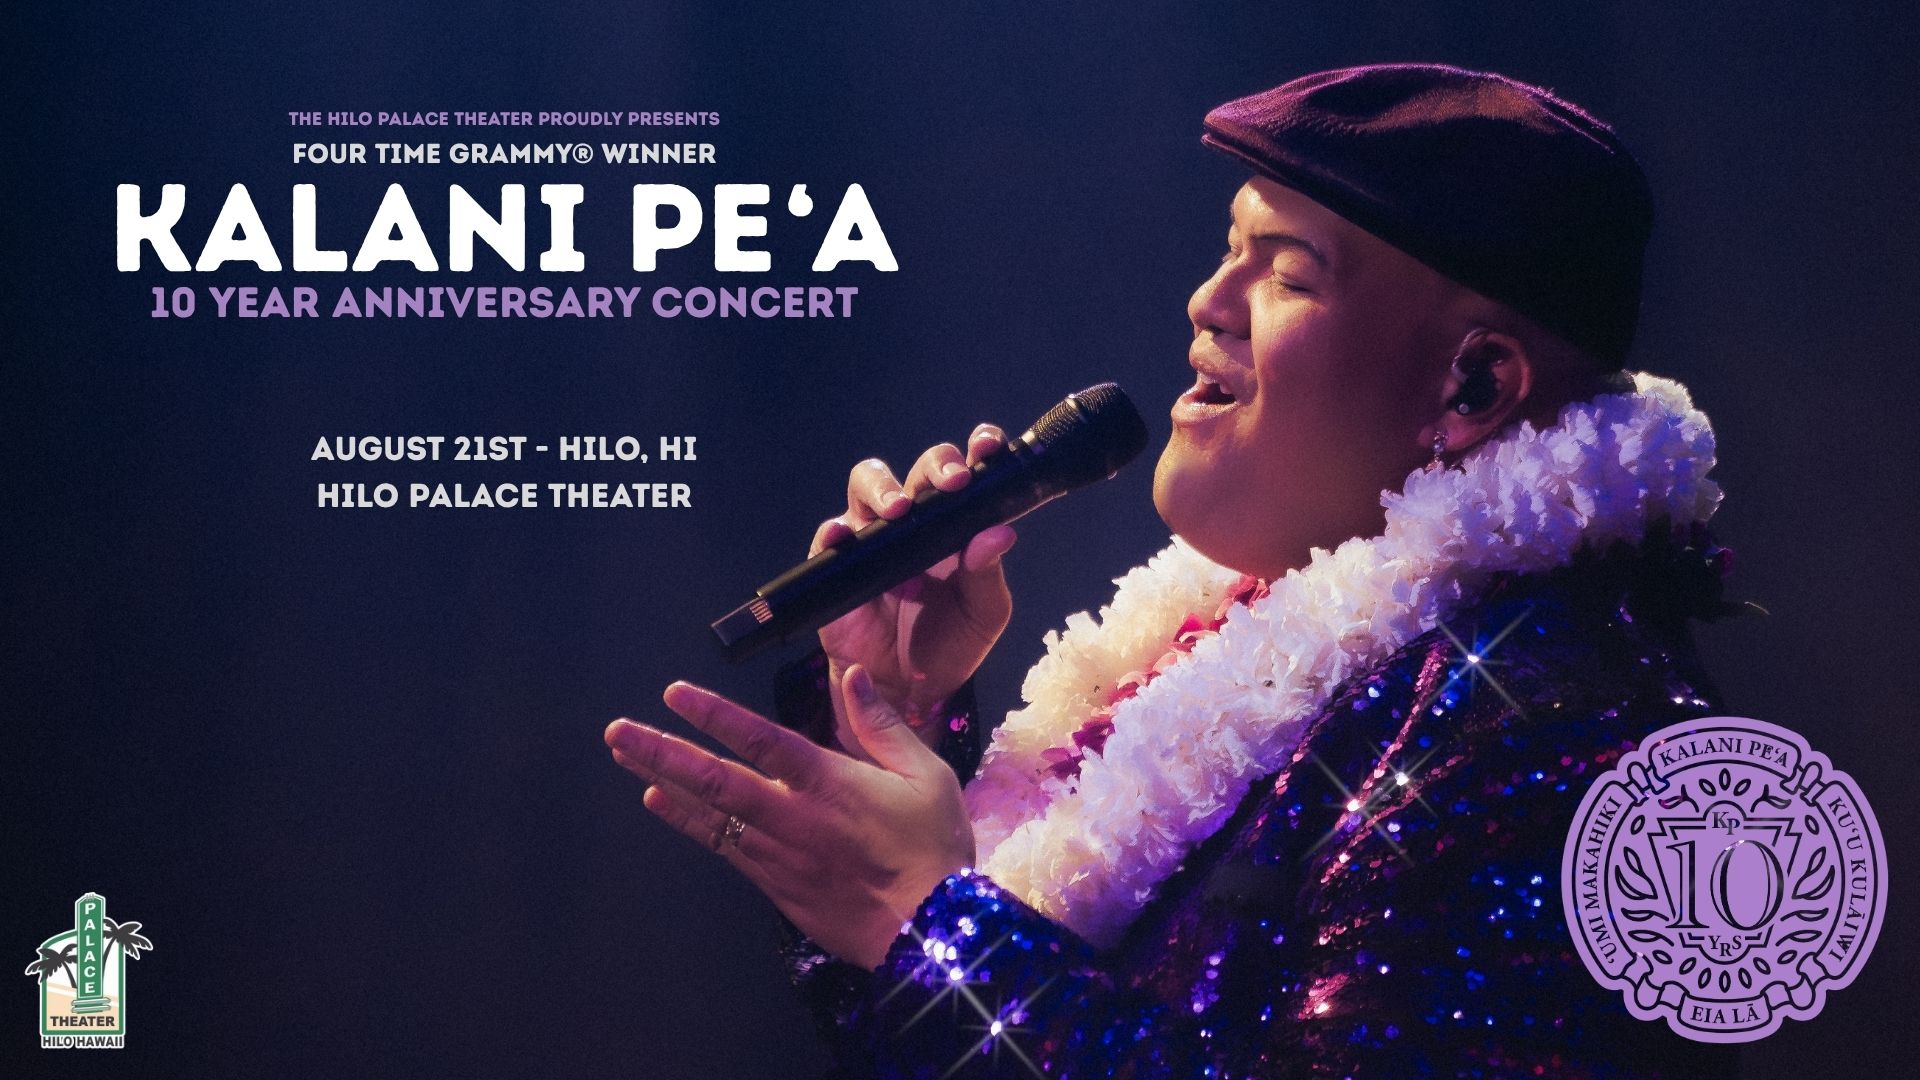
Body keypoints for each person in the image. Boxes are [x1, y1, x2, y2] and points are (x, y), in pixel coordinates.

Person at [605, 64, 1747, 1077]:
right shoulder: (1238, 656)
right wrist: (895, 719)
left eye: (1287, 273)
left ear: (1475, 385)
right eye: (1228, 249)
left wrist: (938, 930)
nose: (1208, 303)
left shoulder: (1560, 734)